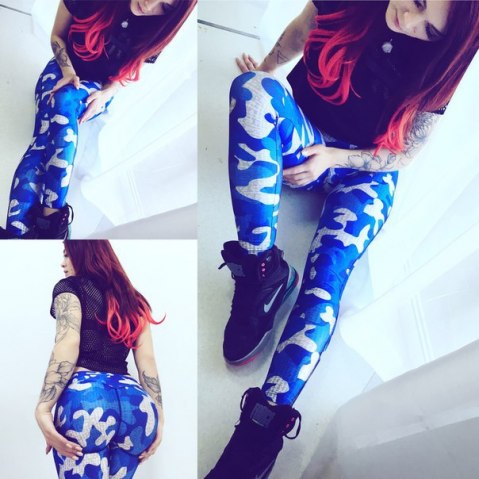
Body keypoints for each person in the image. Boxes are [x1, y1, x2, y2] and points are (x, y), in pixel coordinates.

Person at [207, 1, 479, 477]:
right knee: (251, 89)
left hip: (364, 173)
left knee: (326, 279)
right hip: (305, 135)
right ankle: (261, 271)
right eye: (417, 2)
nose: (409, 22)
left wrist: (334, 158)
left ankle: (263, 424)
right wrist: (267, 71)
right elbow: (301, 30)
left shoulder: (440, 65)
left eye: (430, 31)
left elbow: (406, 154)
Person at [1, 0, 196, 239]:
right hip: (60, 71)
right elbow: (57, 36)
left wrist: (106, 94)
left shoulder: (159, 30)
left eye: (164, 7)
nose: (150, 5)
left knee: (54, 119)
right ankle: (52, 221)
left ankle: (16, 237)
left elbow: (130, 69)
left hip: (94, 90)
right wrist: (68, 72)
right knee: (49, 129)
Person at [34, 240, 165, 478]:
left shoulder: (69, 288)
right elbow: (147, 361)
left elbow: (68, 342)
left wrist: (44, 408)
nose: (63, 263)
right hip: (136, 405)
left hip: (88, 399)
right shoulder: (135, 300)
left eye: (67, 255)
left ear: (84, 255)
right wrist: (159, 418)